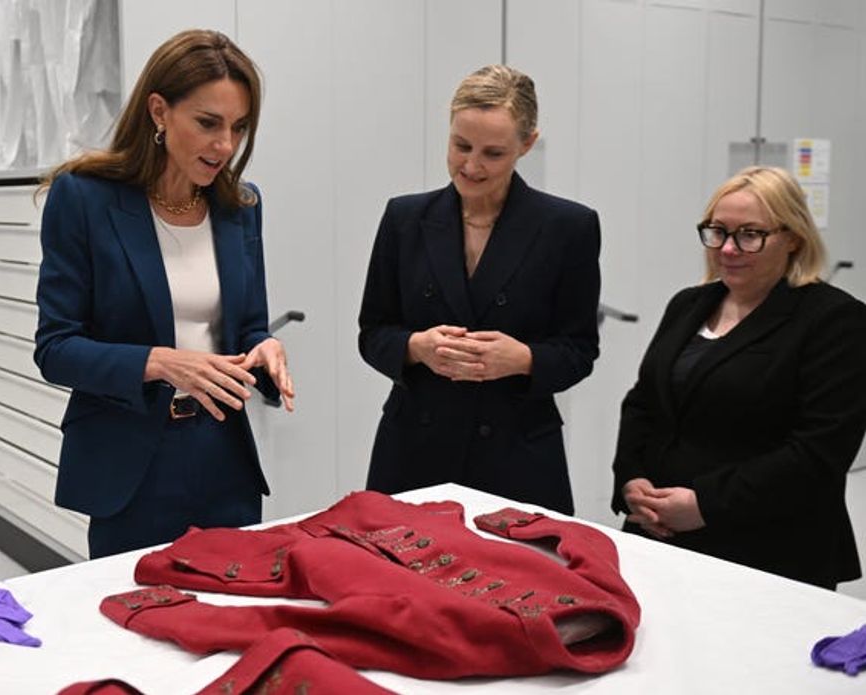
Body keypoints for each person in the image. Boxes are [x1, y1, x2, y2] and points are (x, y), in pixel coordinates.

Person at [34, 29, 294, 559]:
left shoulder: (241, 207)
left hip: (224, 457)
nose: (226, 146)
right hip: (130, 465)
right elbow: (56, 349)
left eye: (239, 127)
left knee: (233, 603)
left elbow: (248, 326)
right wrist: (160, 363)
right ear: (159, 111)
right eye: (208, 123)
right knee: (135, 608)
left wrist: (264, 346)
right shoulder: (83, 199)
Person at [358, 65, 601, 514]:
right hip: (415, 452)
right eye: (461, 146)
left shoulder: (568, 228)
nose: (470, 166)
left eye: (493, 153)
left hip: (517, 458)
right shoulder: (404, 218)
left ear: (527, 144)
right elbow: (373, 333)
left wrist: (522, 358)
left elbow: (579, 350)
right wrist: (416, 347)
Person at [612, 165, 866, 589]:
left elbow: (818, 452)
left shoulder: (834, 320)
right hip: (659, 531)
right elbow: (643, 402)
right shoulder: (689, 304)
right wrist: (630, 480)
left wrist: (705, 504)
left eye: (750, 234)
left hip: (769, 549)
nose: (728, 248)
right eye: (718, 232)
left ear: (793, 238)